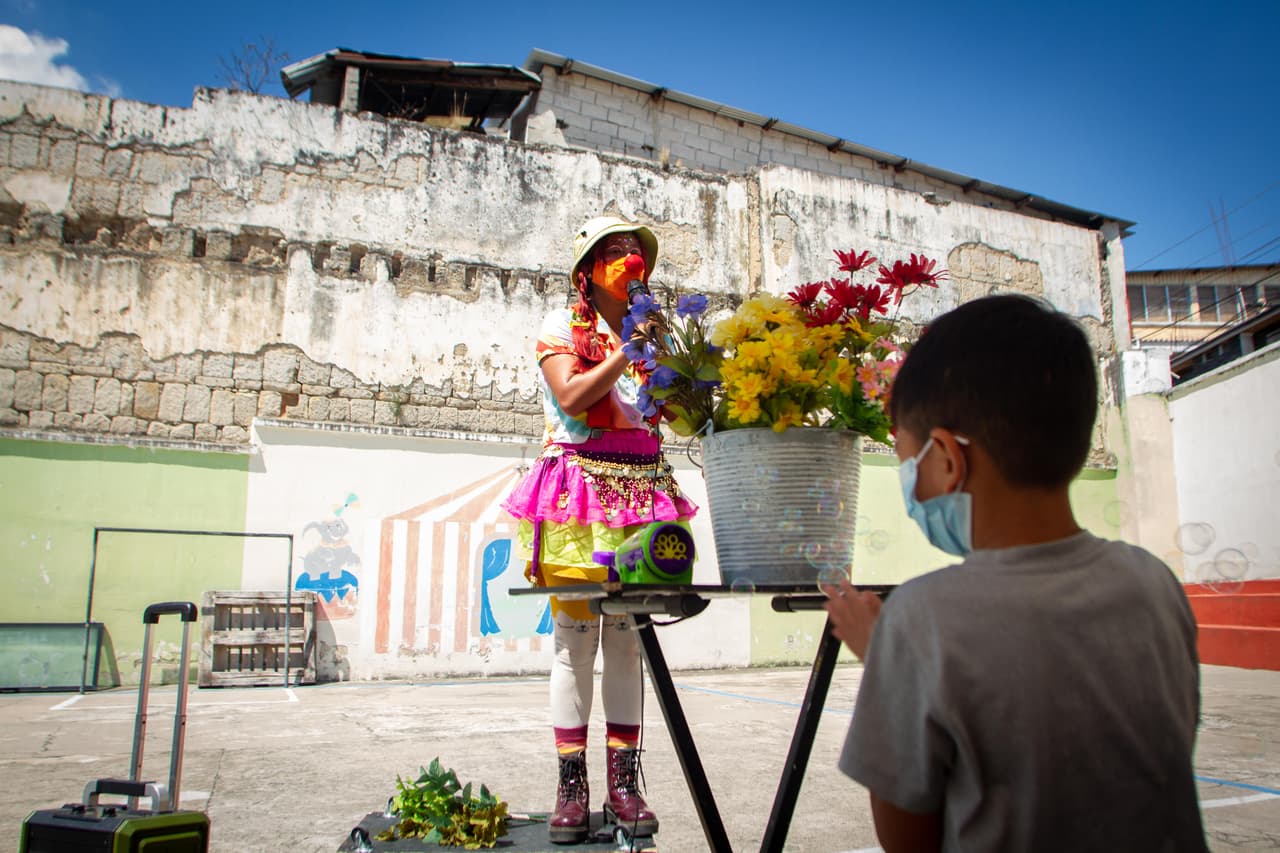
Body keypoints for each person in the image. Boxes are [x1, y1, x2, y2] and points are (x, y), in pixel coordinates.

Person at [823, 294, 1207, 852]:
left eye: (907, 459)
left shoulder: (921, 618)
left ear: (949, 460)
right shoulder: (1153, 584)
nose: (907, 480)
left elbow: (909, 840)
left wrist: (889, 657)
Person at [502, 216, 696, 844]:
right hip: (578, 491)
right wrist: (627, 350)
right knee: (575, 640)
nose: (629, 260)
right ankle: (570, 789)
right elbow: (574, 397)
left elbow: (681, 416)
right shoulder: (560, 329)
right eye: (614, 251)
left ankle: (625, 785)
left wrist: (685, 369)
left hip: (642, 494)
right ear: (587, 270)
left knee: (627, 641)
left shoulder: (660, 335)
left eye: (636, 252)